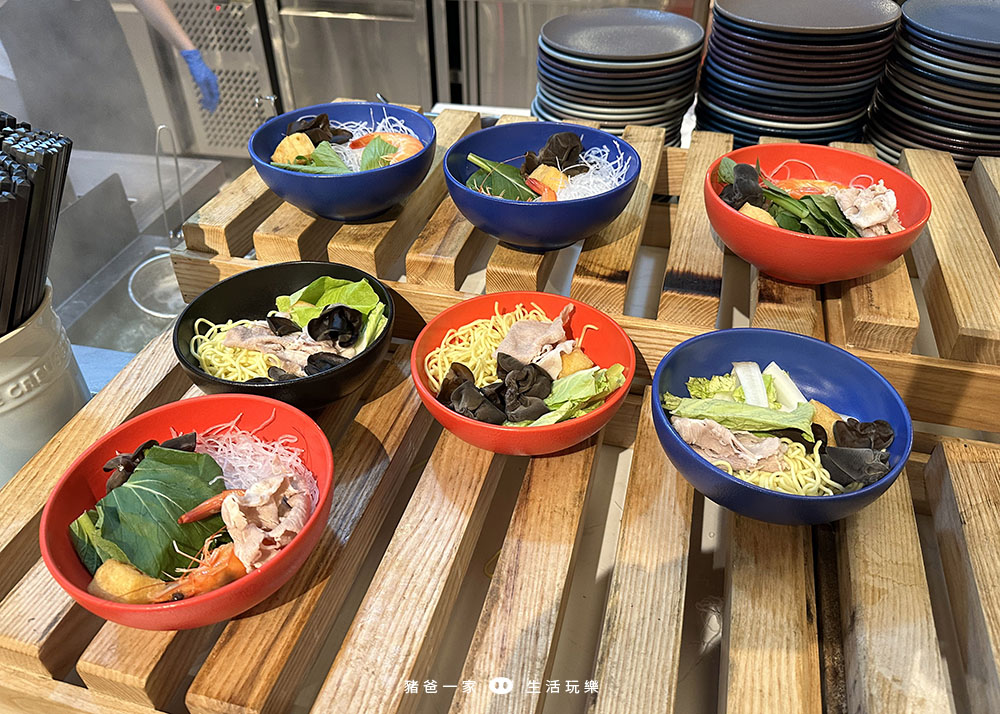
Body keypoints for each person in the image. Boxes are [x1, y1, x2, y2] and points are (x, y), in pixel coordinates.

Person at [0, 0, 219, 153]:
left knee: (136, 140)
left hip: (102, 43)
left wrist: (188, 50)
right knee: (71, 165)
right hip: (36, 63)